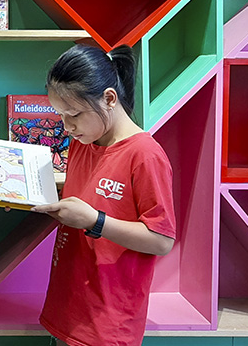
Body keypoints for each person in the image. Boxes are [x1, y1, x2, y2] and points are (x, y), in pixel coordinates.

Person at [32, 44, 176, 346]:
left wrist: (96, 221)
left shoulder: (145, 155)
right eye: (60, 115)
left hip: (108, 323)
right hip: (68, 308)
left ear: (109, 98)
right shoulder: (84, 142)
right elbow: (83, 200)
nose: (67, 126)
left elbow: (162, 241)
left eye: (73, 114)